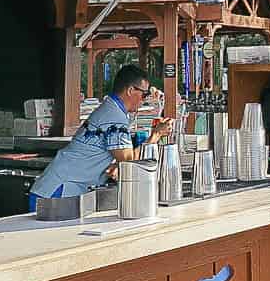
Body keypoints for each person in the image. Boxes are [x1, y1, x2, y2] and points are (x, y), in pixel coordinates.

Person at [29, 63, 171, 202]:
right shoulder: (115, 117)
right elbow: (129, 162)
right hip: (58, 193)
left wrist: (116, 165)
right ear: (130, 90)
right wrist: (156, 135)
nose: (144, 99)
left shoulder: (109, 108)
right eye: (144, 94)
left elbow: (119, 157)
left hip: (52, 188)